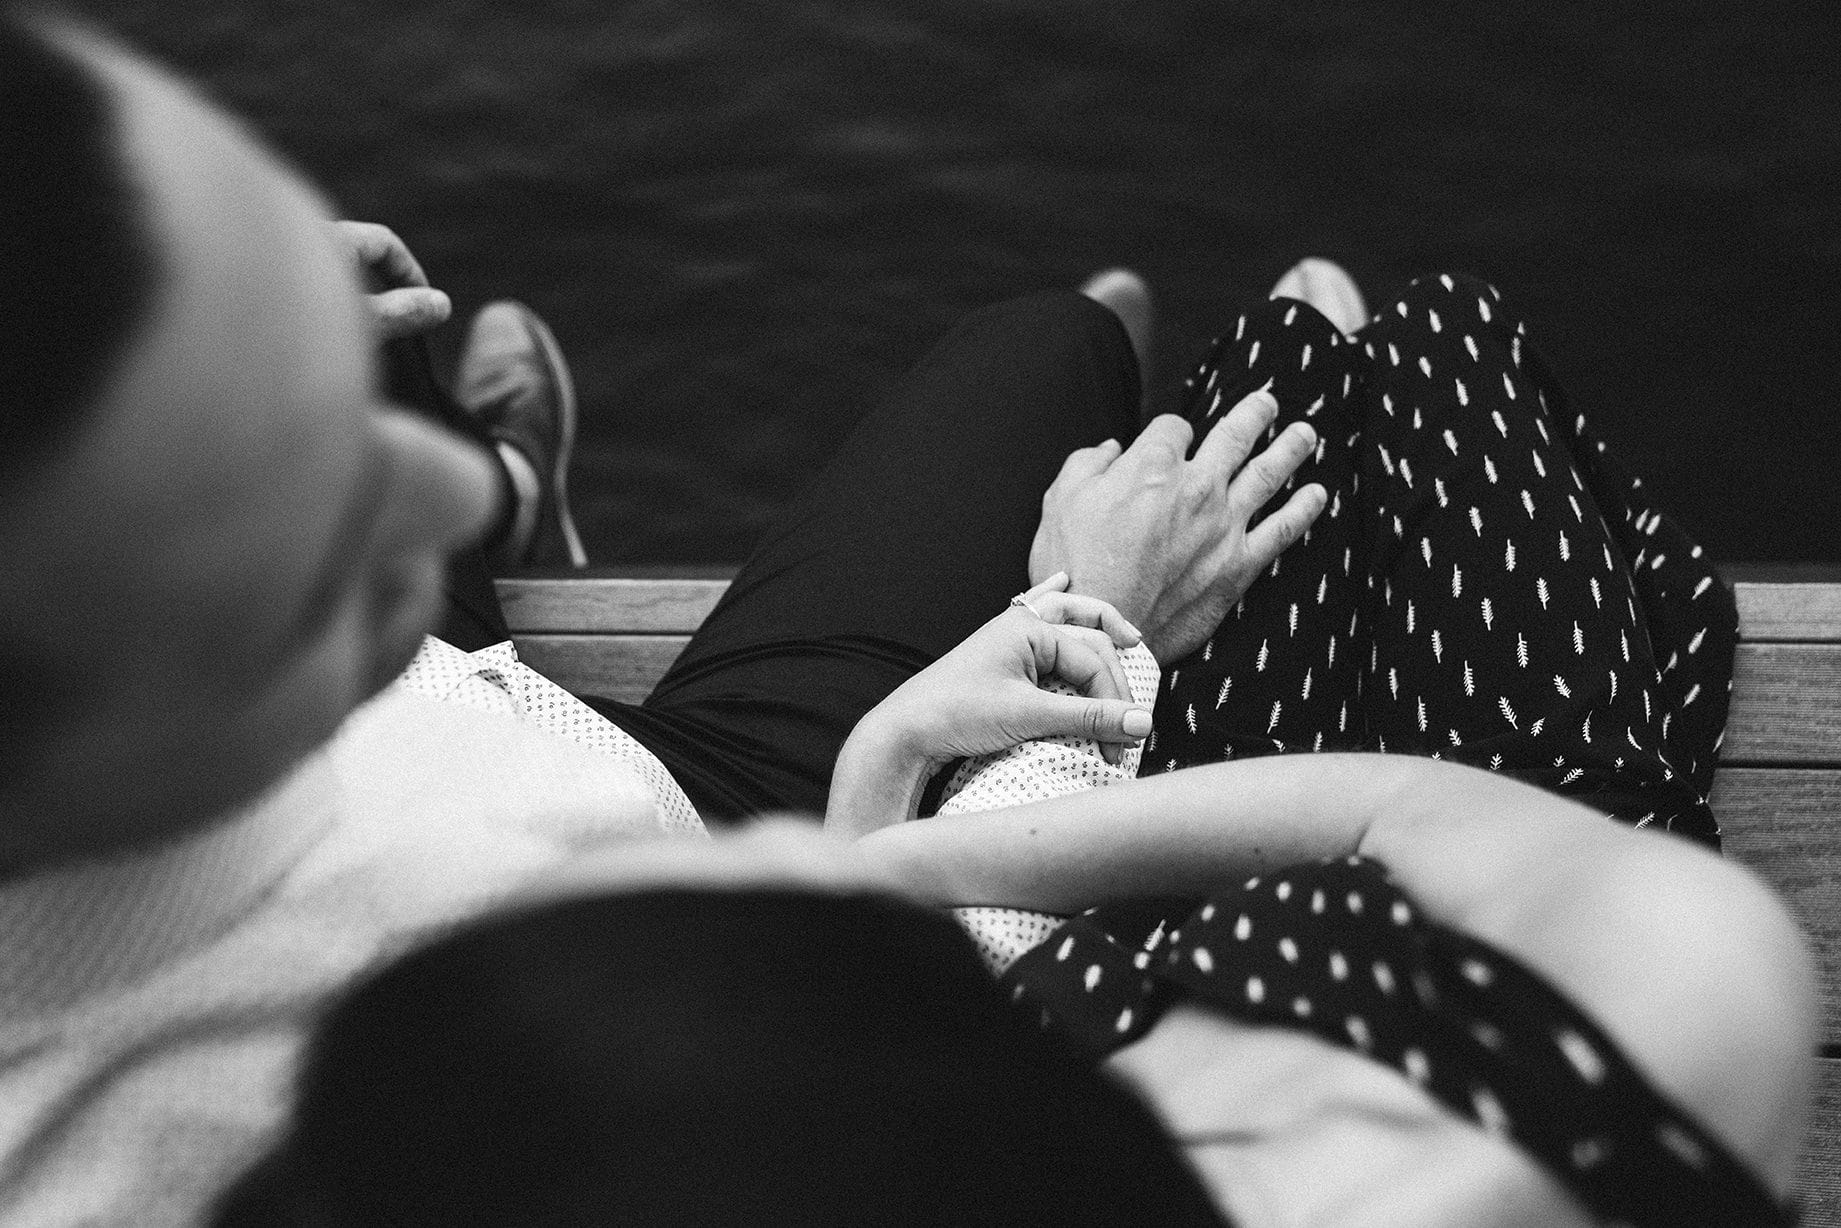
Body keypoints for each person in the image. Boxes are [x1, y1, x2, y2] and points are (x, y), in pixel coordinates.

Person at [0, 8, 1814, 1226]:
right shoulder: (260, 1130)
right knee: (1089, 348)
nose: (436, 492)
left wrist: (234, 362)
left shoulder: (388, 1046)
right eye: (291, 535)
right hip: (783, 864)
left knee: (1136, 363)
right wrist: (1075, 643)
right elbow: (829, 1078)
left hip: (703, 840)